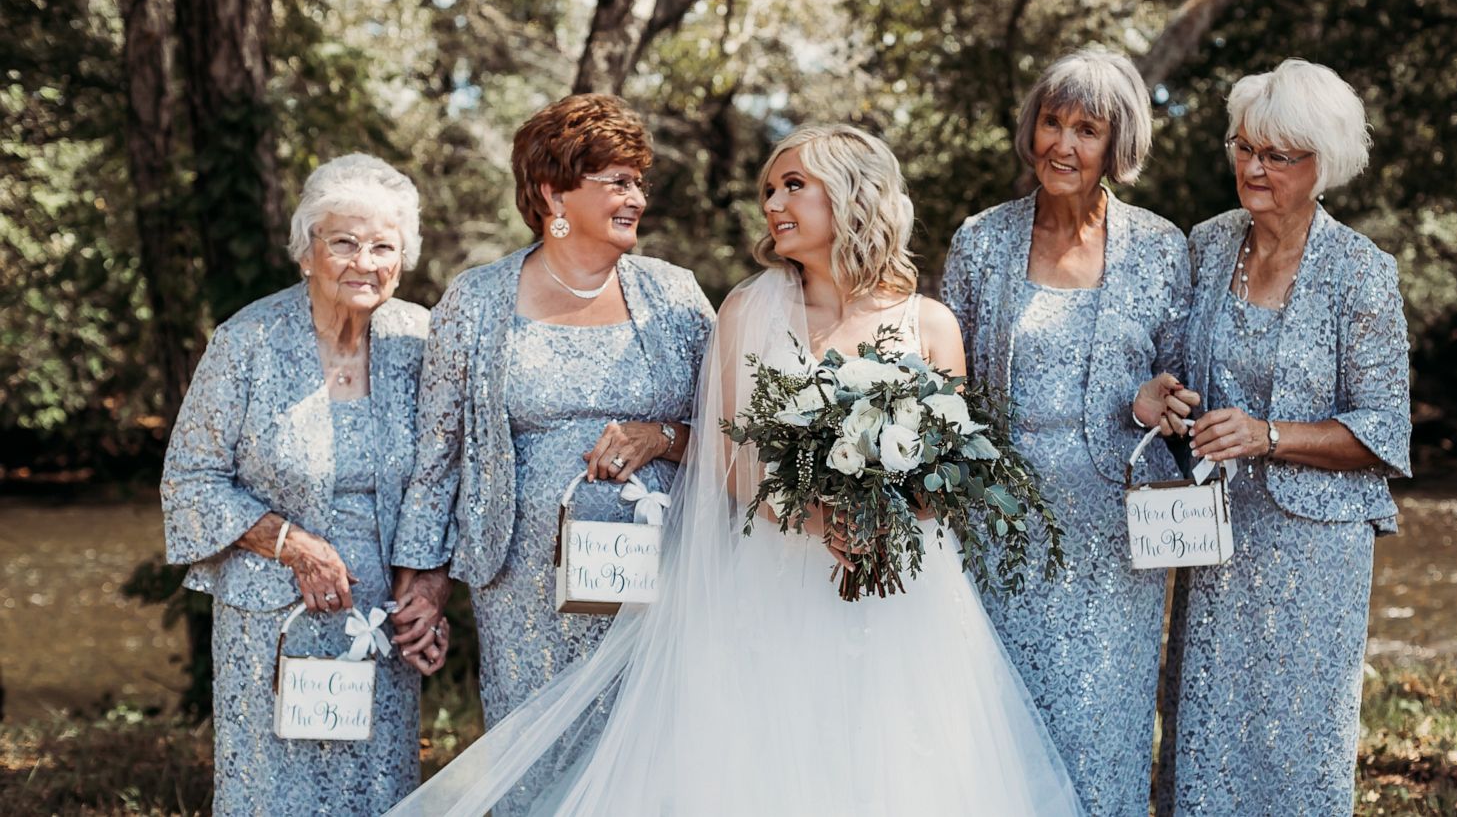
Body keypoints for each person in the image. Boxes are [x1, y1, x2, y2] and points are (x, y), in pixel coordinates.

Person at [384, 125, 1084, 816]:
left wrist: (886, 519)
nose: (773, 204)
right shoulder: (748, 308)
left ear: (852, 194)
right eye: (768, 190)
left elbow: (952, 463)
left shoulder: (930, 323)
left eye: (793, 186)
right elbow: (728, 453)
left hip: (905, 588)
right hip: (773, 576)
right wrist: (813, 516)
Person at [387, 93, 713, 809]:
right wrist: (425, 582)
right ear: (551, 191)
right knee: (536, 771)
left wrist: (661, 436)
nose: (637, 197)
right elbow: (438, 455)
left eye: (639, 181)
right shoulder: (474, 302)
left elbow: (730, 431)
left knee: (653, 767)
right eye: (617, 182)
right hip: (525, 594)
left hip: (659, 585)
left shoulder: (676, 295)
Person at [1153, 59, 1412, 815]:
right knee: (1203, 732)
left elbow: (1382, 431)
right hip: (1212, 539)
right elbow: (1169, 362)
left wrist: (1267, 435)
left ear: (1321, 164)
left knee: (1298, 743)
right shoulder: (1205, 244)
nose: (1253, 168)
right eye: (1244, 147)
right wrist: (1165, 397)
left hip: (1314, 553)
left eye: (1277, 155)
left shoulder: (1361, 272)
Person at [941, 48, 1193, 815]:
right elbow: (942, 385)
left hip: (1115, 532)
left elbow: (1183, 390)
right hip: (997, 524)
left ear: (1117, 144)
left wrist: (1154, 400)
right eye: (1053, 121)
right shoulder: (981, 240)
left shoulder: (1160, 248)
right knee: (996, 725)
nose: (1064, 144)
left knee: (1101, 726)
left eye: (1087, 128)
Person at [161, 153, 433, 814]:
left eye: (382, 246)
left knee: (377, 790)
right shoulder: (246, 341)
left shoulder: (422, 340)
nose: (363, 262)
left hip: (378, 618)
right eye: (343, 242)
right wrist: (292, 544)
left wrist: (428, 589)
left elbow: (443, 477)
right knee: (273, 795)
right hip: (271, 617)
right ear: (306, 252)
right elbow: (189, 480)